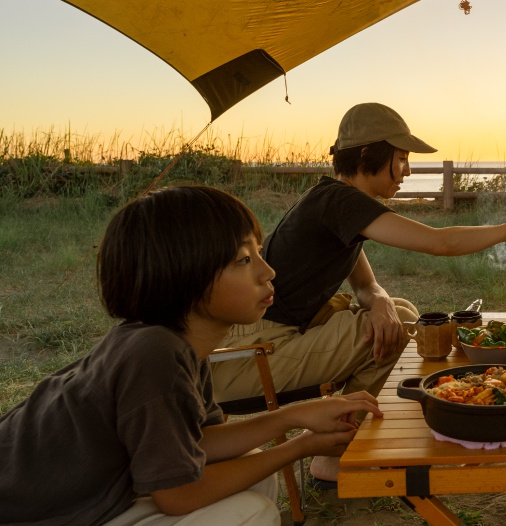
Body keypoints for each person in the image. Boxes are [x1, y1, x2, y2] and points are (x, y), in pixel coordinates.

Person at [0, 185, 379, 525]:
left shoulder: (178, 347)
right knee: (250, 514)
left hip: (86, 497)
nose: (268, 272)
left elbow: (198, 442)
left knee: (252, 470)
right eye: (244, 260)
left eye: (258, 253)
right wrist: (301, 445)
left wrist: (296, 416)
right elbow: (179, 495)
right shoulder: (153, 354)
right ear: (184, 275)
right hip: (28, 514)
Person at [211, 102, 506, 486]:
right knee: (400, 324)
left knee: (398, 310)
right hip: (247, 355)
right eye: (401, 159)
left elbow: (367, 285)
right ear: (370, 154)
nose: (408, 171)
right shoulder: (338, 201)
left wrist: (382, 302)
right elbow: (438, 242)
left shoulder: (335, 202)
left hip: (272, 339)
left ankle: (337, 445)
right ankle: (333, 455)